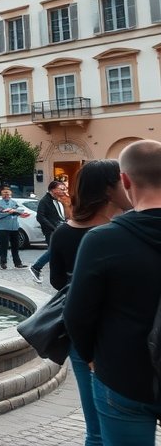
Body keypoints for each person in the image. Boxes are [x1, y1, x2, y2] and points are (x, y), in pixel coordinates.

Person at [65, 140, 161, 443]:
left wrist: (93, 359)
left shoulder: (102, 240)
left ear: (126, 180)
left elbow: (77, 314)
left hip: (122, 374)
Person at [48, 160, 129, 446]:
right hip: (121, 334)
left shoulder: (64, 232)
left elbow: (57, 282)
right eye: (121, 180)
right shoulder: (124, 230)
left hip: (81, 336)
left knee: (94, 428)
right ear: (109, 189)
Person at [28, 180, 69, 284]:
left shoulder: (59, 200)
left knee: (58, 252)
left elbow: (61, 216)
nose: (63, 191)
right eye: (61, 189)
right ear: (53, 190)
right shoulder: (45, 201)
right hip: (52, 231)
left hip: (60, 229)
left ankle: (60, 273)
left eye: (64, 189)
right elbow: (40, 217)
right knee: (54, 251)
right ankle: (36, 267)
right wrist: (53, 228)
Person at [0, 186, 30, 269]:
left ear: (11, 194)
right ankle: (3, 263)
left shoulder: (14, 202)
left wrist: (13, 211)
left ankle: (17, 263)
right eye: (4, 193)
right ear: (1, 194)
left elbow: (21, 211)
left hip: (14, 227)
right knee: (4, 246)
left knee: (15, 245)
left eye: (8, 193)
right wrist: (10, 212)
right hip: (3, 227)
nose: (6, 194)